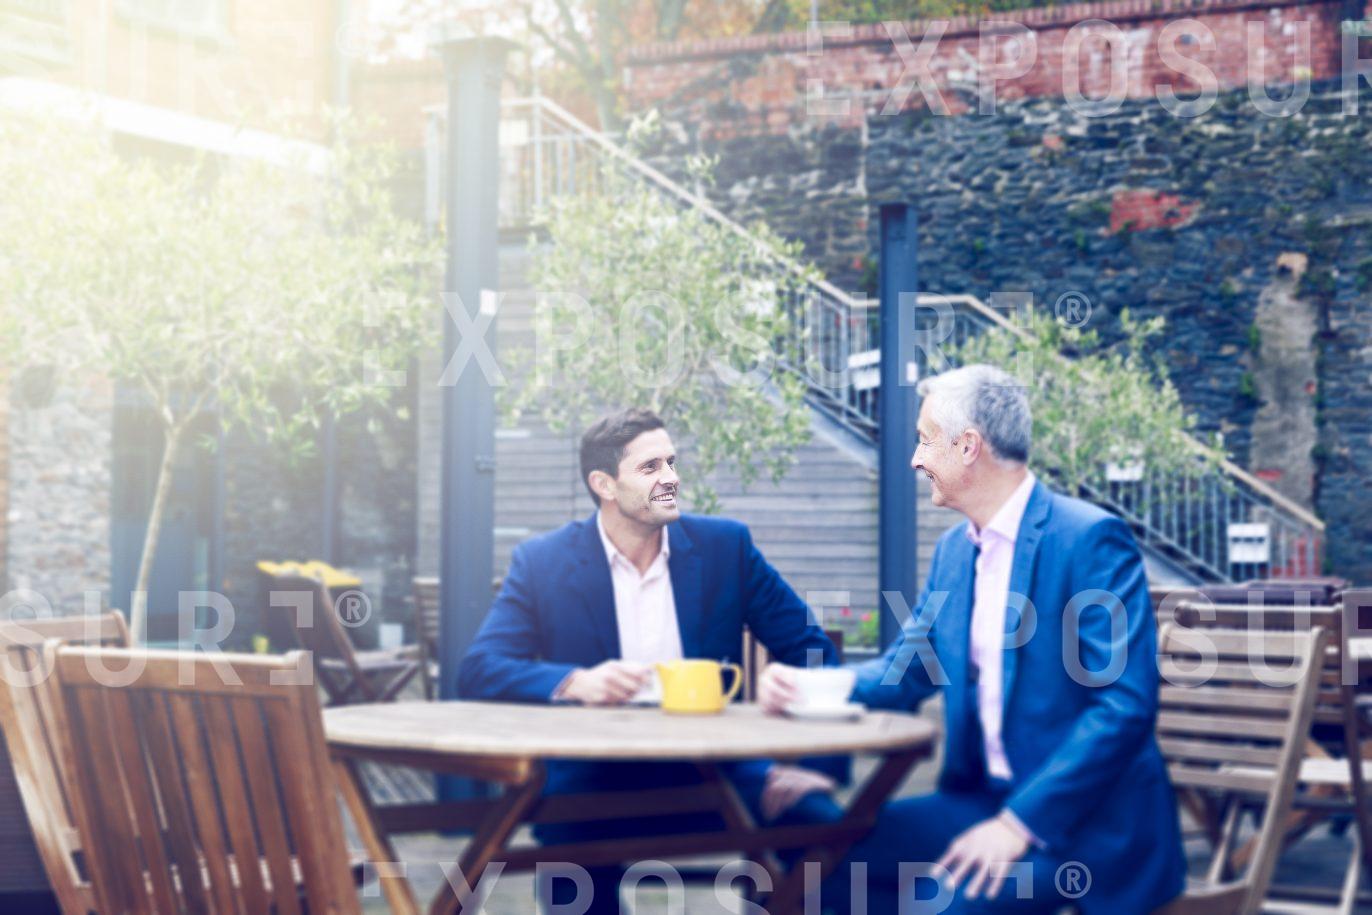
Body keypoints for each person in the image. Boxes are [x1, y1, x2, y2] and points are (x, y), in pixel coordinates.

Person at [760, 364, 1186, 914]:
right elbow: (905, 672)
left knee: (936, 904)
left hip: (1083, 824)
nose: (915, 459)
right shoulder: (955, 553)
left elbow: (1125, 706)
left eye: (924, 441)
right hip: (982, 802)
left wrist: (1019, 823)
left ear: (967, 447)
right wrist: (804, 687)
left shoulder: (1088, 540)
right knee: (825, 862)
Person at [458, 407, 845, 913]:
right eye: (650, 467)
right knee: (568, 860)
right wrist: (575, 682)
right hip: (593, 776)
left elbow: (813, 649)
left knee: (824, 829)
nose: (672, 478)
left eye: (672, 462)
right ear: (605, 484)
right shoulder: (543, 561)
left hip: (717, 769)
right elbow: (480, 668)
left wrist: (819, 766)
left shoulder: (726, 547)